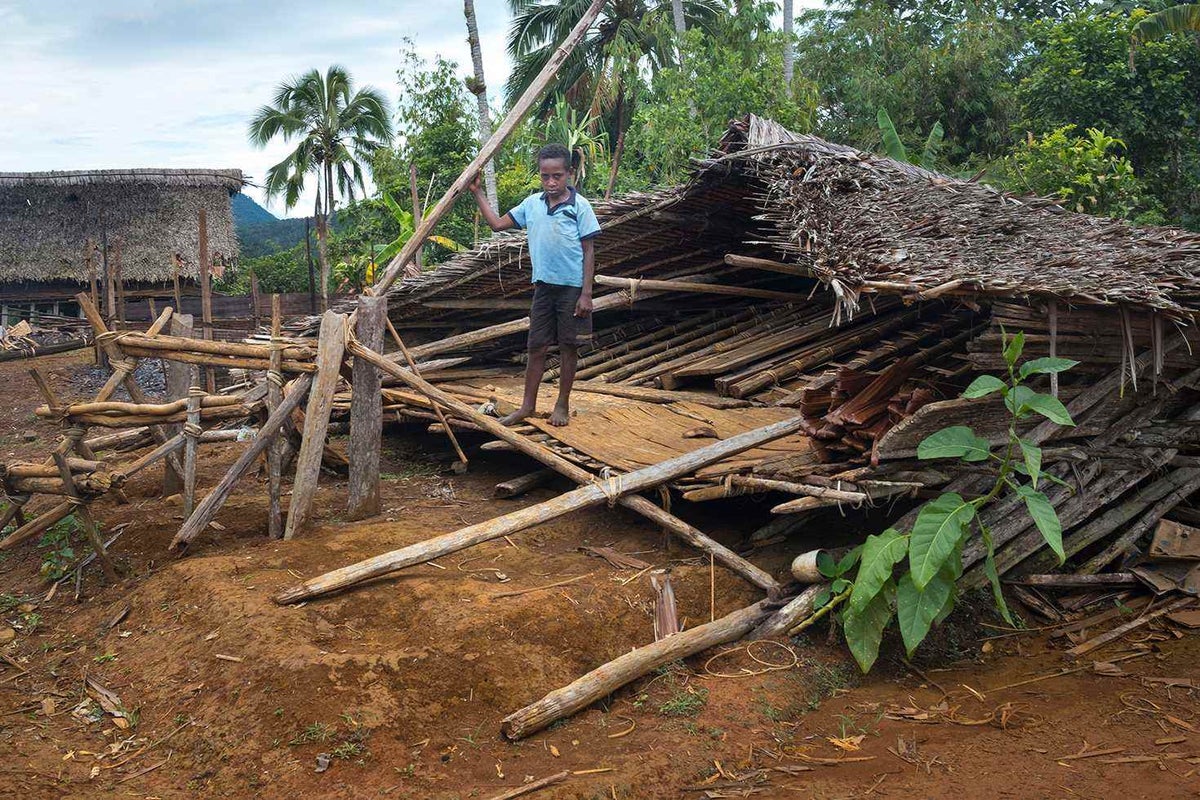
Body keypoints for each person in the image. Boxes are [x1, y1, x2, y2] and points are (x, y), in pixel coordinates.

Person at [468, 143, 601, 426]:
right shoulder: (531, 205)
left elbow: (589, 250)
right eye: (545, 176)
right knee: (536, 346)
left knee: (569, 346)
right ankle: (527, 406)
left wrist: (586, 294)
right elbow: (496, 224)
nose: (551, 182)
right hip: (543, 288)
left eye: (557, 176)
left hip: (572, 289)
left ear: (570, 174)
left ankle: (561, 404)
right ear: (539, 175)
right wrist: (477, 192)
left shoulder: (580, 206)